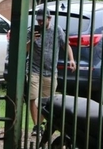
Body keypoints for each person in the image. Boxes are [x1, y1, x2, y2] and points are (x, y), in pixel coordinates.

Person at [26, 8, 76, 136]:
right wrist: (32, 40)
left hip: (50, 71)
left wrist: (71, 59)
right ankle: (37, 126)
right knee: (33, 97)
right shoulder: (33, 30)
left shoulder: (57, 30)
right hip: (34, 69)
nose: (40, 23)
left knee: (46, 101)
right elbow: (25, 49)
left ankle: (39, 124)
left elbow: (66, 45)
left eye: (43, 20)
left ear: (49, 19)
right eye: (38, 20)